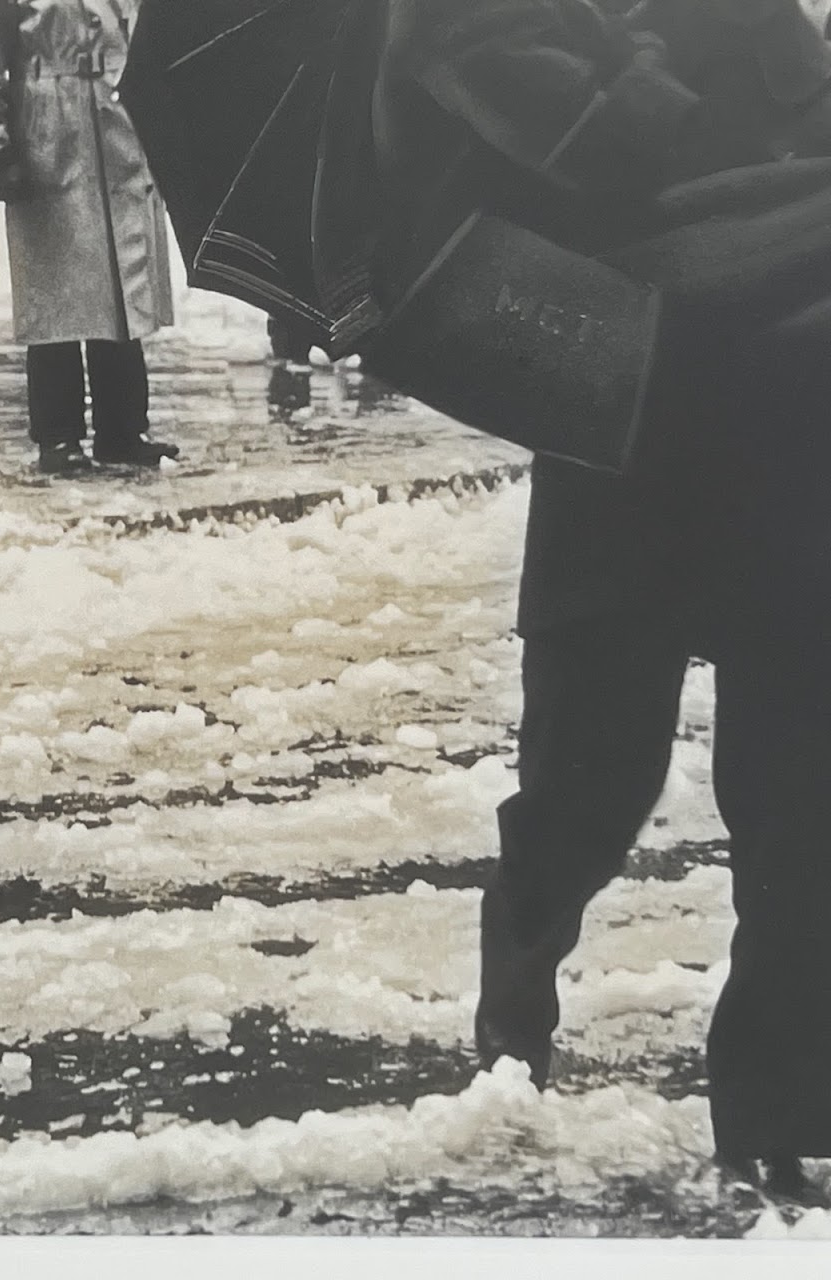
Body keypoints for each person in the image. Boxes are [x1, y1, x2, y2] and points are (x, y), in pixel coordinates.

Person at [319, 0, 831, 1199]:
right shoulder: (504, 23)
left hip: (786, 444)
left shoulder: (773, 34)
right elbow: (533, 162)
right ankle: (516, 997)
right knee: (588, 782)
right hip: (620, 439)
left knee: (798, 800)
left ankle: (777, 1109)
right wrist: (631, 88)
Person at [0, 0, 179, 475]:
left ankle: (122, 431)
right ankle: (58, 436)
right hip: (47, 131)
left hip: (121, 122)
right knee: (54, 295)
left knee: (122, 285)